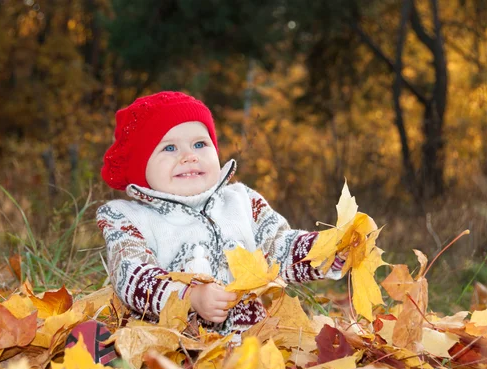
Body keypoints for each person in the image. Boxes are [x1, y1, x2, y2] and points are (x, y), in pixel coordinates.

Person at [97, 91, 345, 337]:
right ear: (141, 165)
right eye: (169, 147)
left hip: (247, 342)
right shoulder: (128, 217)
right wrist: (188, 298)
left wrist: (327, 249)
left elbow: (279, 247)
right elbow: (131, 274)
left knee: (289, 347)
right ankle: (105, 352)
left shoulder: (242, 201)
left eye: (199, 144)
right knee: (125, 340)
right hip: (172, 344)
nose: (189, 156)